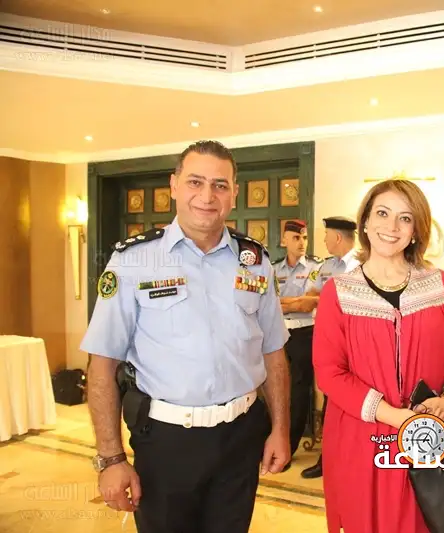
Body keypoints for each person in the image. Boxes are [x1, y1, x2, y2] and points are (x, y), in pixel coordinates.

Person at [81, 140, 291, 533]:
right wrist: (111, 458)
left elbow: (273, 354)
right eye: (195, 182)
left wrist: (280, 428)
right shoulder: (133, 260)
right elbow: (102, 365)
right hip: (167, 442)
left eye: (220, 185)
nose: (207, 196)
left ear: (234, 193)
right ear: (174, 185)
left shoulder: (255, 261)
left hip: (240, 438)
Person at [312, 179, 444, 533]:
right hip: (363, 440)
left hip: (432, 436)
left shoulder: (441, 287)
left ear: (416, 230)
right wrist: (394, 416)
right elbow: (329, 373)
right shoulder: (338, 293)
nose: (392, 226)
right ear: (365, 222)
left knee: (432, 521)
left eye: (405, 218)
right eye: (382, 213)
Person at [301, 215, 361, 479]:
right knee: (330, 398)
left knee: (347, 400)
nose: (324, 240)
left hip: (351, 343)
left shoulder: (360, 265)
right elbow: (312, 294)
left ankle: (340, 460)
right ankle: (329, 459)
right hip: (327, 339)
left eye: (326, 236)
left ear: (337, 237)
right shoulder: (326, 266)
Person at [272, 220, 323, 464]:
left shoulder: (316, 268)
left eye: (304, 237)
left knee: (299, 391)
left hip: (305, 333)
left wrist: (284, 302)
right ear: (284, 240)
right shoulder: (273, 269)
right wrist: (296, 301)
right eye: (295, 237)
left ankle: (288, 449)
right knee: (275, 388)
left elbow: (308, 304)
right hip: (277, 334)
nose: (301, 242)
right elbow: (268, 304)